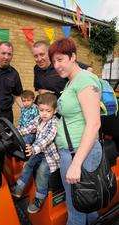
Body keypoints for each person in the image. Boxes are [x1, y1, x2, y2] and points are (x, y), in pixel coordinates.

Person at [48, 38, 102, 225]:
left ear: (73, 57)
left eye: (60, 59)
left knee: (76, 209)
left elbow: (94, 123)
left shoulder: (84, 79)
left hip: (80, 153)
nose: (56, 65)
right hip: (71, 152)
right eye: (54, 61)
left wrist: (76, 163)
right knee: (86, 203)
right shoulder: (70, 83)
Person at [12, 93, 60, 214]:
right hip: (38, 151)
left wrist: (33, 149)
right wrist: (14, 133)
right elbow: (28, 128)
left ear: (55, 111)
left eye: (48, 111)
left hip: (49, 156)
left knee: (42, 171)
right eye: (41, 110)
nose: (44, 113)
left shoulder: (54, 123)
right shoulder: (39, 119)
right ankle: (19, 188)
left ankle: (40, 197)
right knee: (28, 163)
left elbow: (46, 139)